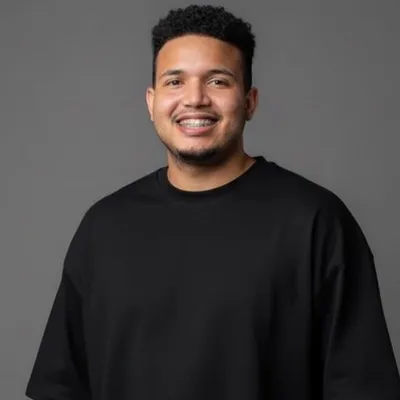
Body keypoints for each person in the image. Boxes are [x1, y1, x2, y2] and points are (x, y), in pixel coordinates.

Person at [25, 5, 400, 400]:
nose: (195, 99)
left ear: (250, 101)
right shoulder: (103, 228)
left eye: (218, 81)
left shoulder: (315, 221)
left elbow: (363, 389)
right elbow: (61, 388)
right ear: (151, 102)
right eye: (175, 82)